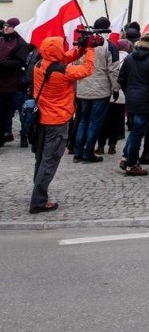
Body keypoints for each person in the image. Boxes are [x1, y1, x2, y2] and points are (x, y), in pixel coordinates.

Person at [27, 35, 96, 213]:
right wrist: (89, 50)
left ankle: (38, 193)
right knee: (49, 162)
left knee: (41, 159)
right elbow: (86, 70)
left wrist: (79, 49)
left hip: (41, 119)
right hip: (57, 122)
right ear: (58, 51)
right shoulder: (62, 72)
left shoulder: (40, 65)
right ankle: (39, 201)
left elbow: (62, 59)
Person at [72, 17, 119, 164]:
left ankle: (77, 152)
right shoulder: (109, 46)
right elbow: (113, 70)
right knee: (94, 122)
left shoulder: (83, 43)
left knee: (83, 120)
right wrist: (116, 88)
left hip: (83, 87)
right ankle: (88, 153)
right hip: (100, 89)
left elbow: (75, 63)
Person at [118, 31, 149, 176]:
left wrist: (129, 92)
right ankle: (132, 164)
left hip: (132, 99)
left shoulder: (130, 58)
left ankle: (126, 157)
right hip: (146, 101)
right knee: (138, 133)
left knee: (135, 131)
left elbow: (121, 79)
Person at [0, 17, 30, 147]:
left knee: (5, 112)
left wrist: (2, 64)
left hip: (10, 84)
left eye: (9, 26)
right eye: (5, 25)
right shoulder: (2, 40)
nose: (5, 28)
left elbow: (19, 62)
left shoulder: (20, 43)